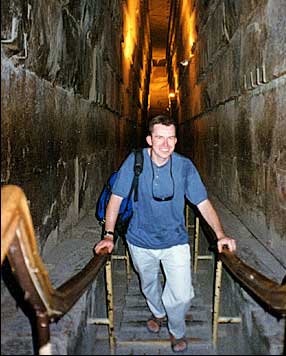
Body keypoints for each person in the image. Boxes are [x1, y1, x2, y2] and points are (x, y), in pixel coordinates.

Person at [94, 114, 236, 353]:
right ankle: (158, 313)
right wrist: (109, 235)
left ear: (176, 141)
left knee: (181, 295)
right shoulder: (135, 161)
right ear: (150, 139)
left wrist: (220, 234)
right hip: (139, 240)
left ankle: (176, 329)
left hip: (175, 240)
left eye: (170, 138)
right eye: (159, 137)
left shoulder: (184, 166)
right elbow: (116, 200)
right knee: (149, 283)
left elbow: (202, 203)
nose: (165, 144)